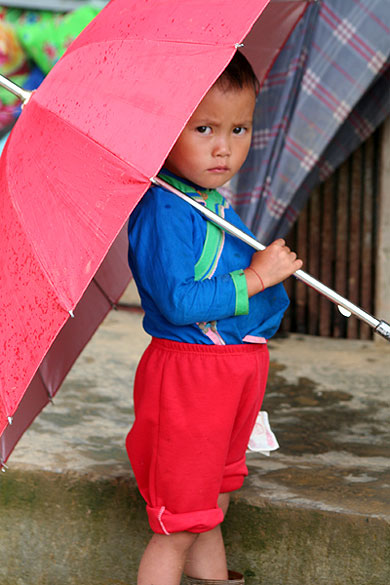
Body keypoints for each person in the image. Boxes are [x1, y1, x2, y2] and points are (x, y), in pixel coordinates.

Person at [126, 51, 302, 585]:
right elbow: (179, 301)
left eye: (240, 127)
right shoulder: (164, 208)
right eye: (204, 128)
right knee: (178, 521)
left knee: (210, 507)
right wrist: (258, 279)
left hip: (233, 370)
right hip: (191, 374)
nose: (225, 146)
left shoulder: (209, 199)